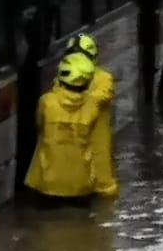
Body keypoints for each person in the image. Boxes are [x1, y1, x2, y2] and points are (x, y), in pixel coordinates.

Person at [24, 53, 103, 208]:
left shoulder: (46, 102)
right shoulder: (93, 107)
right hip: (81, 185)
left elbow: (39, 127)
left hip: (47, 183)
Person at [61, 34, 118, 198]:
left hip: (97, 160)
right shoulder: (62, 79)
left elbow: (103, 96)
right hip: (75, 155)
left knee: (103, 193)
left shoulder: (103, 78)